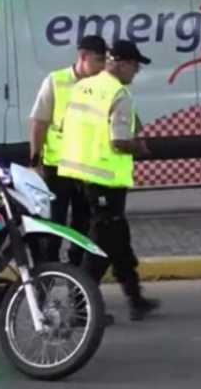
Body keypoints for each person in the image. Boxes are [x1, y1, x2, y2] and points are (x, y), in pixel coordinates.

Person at [58, 40, 161, 322]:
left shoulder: (84, 86)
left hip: (80, 175)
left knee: (118, 237)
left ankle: (136, 298)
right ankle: (78, 308)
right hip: (105, 180)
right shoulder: (119, 93)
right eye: (136, 67)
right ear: (124, 63)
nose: (136, 73)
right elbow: (118, 142)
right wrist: (139, 147)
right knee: (102, 247)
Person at [28, 35, 107, 265]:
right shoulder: (56, 80)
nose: (102, 66)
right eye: (98, 60)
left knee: (83, 229)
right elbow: (39, 122)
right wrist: (35, 161)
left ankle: (77, 282)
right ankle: (47, 279)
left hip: (88, 170)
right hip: (57, 170)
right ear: (82, 56)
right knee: (53, 228)